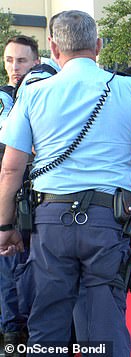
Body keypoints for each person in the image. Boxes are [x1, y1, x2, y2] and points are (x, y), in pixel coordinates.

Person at [0, 10, 131, 356]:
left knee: (46, 326)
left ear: (52, 47)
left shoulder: (33, 93)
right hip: (109, 222)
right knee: (104, 326)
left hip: (49, 221)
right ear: (98, 45)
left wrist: (5, 224)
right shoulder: (129, 89)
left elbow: (11, 169)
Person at [0, 34, 39, 350]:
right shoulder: (3, 97)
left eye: (22, 60)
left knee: (30, 265)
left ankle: (26, 327)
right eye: (10, 59)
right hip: (7, 191)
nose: (15, 67)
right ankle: (13, 330)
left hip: (39, 193)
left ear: (36, 61)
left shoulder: (43, 95)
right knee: (8, 264)